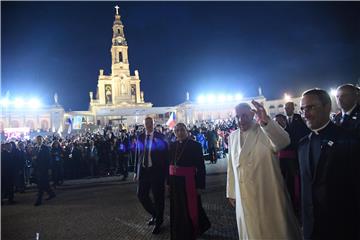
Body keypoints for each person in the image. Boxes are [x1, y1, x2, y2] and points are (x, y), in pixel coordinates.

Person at [226, 100, 301, 239]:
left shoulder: (264, 129)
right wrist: (231, 191)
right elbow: (231, 166)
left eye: (244, 115)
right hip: (243, 193)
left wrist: (266, 121)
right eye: (237, 116)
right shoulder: (232, 137)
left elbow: (284, 141)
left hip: (266, 191)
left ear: (252, 114)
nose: (240, 120)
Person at [298, 88, 360, 240]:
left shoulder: (348, 140)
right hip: (312, 229)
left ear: (327, 107)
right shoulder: (303, 145)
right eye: (302, 109)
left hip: (343, 227)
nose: (305, 114)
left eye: (311, 107)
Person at [168, 123, 211, 240]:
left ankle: (194, 228)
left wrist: (200, 185)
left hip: (189, 182)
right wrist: (168, 183)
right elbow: (169, 165)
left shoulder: (195, 145)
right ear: (174, 132)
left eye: (182, 130)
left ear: (186, 131)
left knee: (191, 207)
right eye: (177, 131)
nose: (179, 133)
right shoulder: (172, 146)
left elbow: (201, 167)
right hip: (175, 182)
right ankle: (179, 228)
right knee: (177, 207)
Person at [134, 117, 169, 234]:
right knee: (141, 195)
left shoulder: (161, 137)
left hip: (157, 171)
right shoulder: (140, 137)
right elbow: (137, 155)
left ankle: (159, 222)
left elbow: (166, 157)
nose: (148, 125)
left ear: (154, 124)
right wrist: (135, 172)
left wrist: (166, 175)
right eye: (146, 123)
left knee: (158, 197)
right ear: (144, 124)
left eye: (150, 123)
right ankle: (155, 214)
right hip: (144, 172)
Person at [282, 102, 310, 217]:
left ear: (293, 108)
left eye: (289, 107)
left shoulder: (300, 118)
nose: (287, 109)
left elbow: (306, 132)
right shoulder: (282, 120)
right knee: (289, 179)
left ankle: (301, 201)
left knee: (300, 177)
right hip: (287, 155)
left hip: (298, 151)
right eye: (285, 108)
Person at [33, 136, 56, 206]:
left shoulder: (45, 148)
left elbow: (49, 159)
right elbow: (35, 158)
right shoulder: (36, 148)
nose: (39, 141)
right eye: (37, 140)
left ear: (42, 140)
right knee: (45, 184)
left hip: (44, 169)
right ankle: (51, 193)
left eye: (40, 139)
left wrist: (49, 169)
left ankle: (39, 200)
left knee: (41, 185)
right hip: (38, 169)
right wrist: (34, 159)